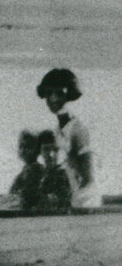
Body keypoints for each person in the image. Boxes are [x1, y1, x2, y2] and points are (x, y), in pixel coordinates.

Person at [36, 67, 99, 209]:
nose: (53, 98)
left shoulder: (78, 129)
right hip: (71, 195)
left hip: (84, 200)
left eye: (59, 94)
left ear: (70, 94)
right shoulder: (58, 129)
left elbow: (89, 179)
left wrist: (74, 203)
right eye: (49, 93)